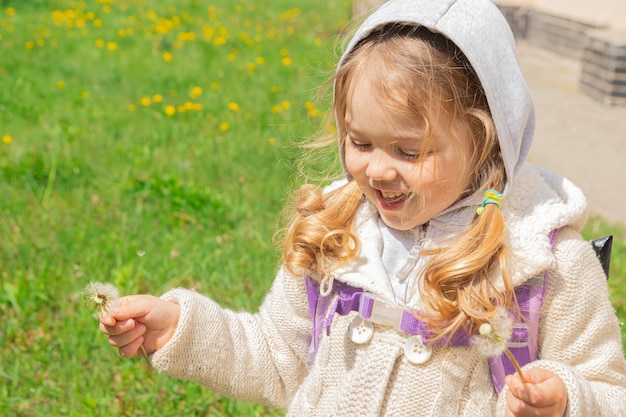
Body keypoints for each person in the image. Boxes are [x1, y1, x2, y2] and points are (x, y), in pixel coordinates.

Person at [99, 0, 626, 415]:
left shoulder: (544, 261)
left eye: (408, 151)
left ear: (488, 142)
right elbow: (278, 359)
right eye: (361, 142)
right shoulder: (338, 234)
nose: (377, 170)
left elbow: (608, 389)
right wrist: (179, 327)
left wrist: (565, 400)